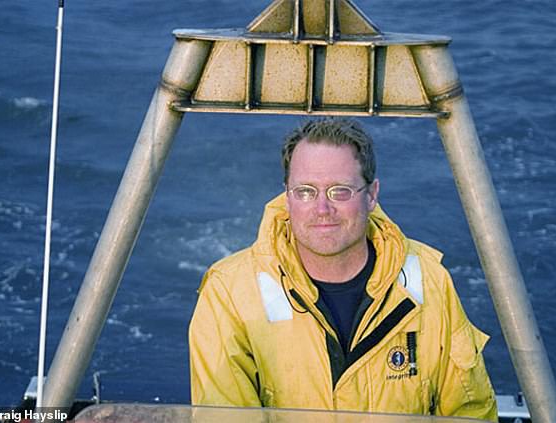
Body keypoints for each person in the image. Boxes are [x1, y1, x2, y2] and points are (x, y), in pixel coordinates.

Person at [189, 117, 497, 420]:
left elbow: (470, 412)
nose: (322, 209)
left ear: (372, 195)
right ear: (287, 196)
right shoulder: (229, 294)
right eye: (306, 191)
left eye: (340, 191)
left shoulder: (429, 281)